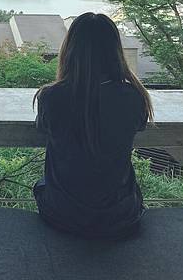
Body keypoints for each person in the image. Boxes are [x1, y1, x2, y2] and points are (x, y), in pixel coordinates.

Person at [33, 12, 153, 239]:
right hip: (120, 215)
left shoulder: (51, 96)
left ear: (70, 50)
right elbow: (138, 126)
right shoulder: (133, 96)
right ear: (115, 51)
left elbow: (44, 128)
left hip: (63, 214)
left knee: (43, 185)